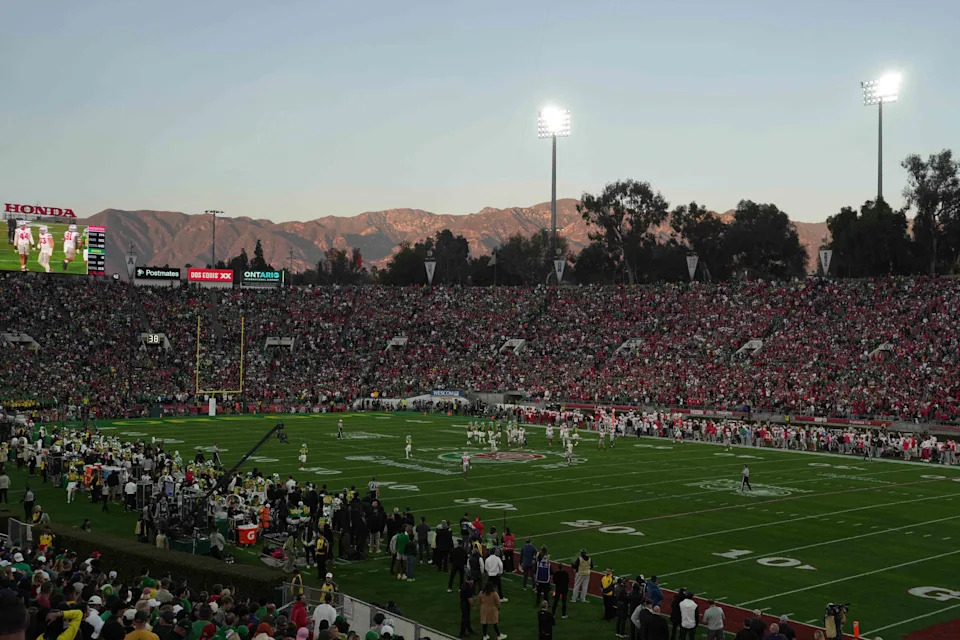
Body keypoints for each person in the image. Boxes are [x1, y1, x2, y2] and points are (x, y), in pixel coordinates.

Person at [458, 574, 475, 638]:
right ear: (469, 580)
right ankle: (462, 632)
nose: (473, 582)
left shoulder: (463, 585)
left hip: (462, 603)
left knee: (467, 617)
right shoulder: (468, 587)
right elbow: (470, 599)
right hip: (466, 604)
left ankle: (469, 629)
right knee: (465, 618)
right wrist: (473, 605)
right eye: (472, 580)